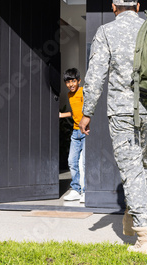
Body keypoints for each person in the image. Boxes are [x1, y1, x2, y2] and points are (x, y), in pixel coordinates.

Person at [78, 0, 147, 256]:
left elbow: (94, 77)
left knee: (132, 171)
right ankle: (131, 214)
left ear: (114, 8)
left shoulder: (106, 32)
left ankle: (144, 238)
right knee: (142, 165)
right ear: (138, 7)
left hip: (123, 113)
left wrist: (86, 113)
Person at [59, 68, 86, 203]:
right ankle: (76, 189)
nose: (71, 84)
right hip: (75, 132)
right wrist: (61, 115)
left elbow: (87, 111)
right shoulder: (70, 95)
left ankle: (86, 191)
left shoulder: (83, 92)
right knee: (72, 161)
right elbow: (74, 113)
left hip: (85, 131)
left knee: (84, 163)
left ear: (79, 81)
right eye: (68, 82)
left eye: (73, 81)